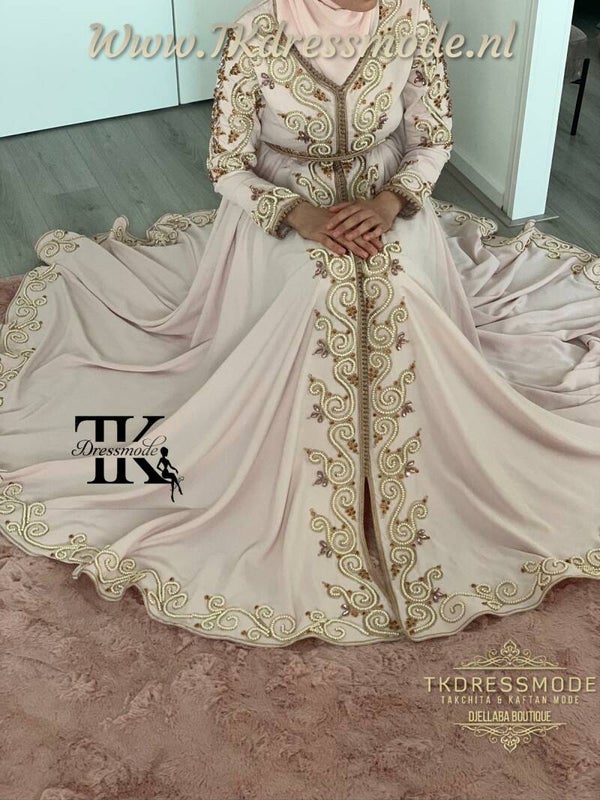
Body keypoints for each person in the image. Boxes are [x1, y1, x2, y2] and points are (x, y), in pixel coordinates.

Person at [0, 0, 599, 648]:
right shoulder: (256, 32)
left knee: (394, 289)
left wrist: (389, 202)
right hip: (282, 210)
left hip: (384, 201)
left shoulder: (411, 20)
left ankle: (428, 471)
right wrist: (297, 214)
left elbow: (432, 139)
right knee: (323, 291)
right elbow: (227, 164)